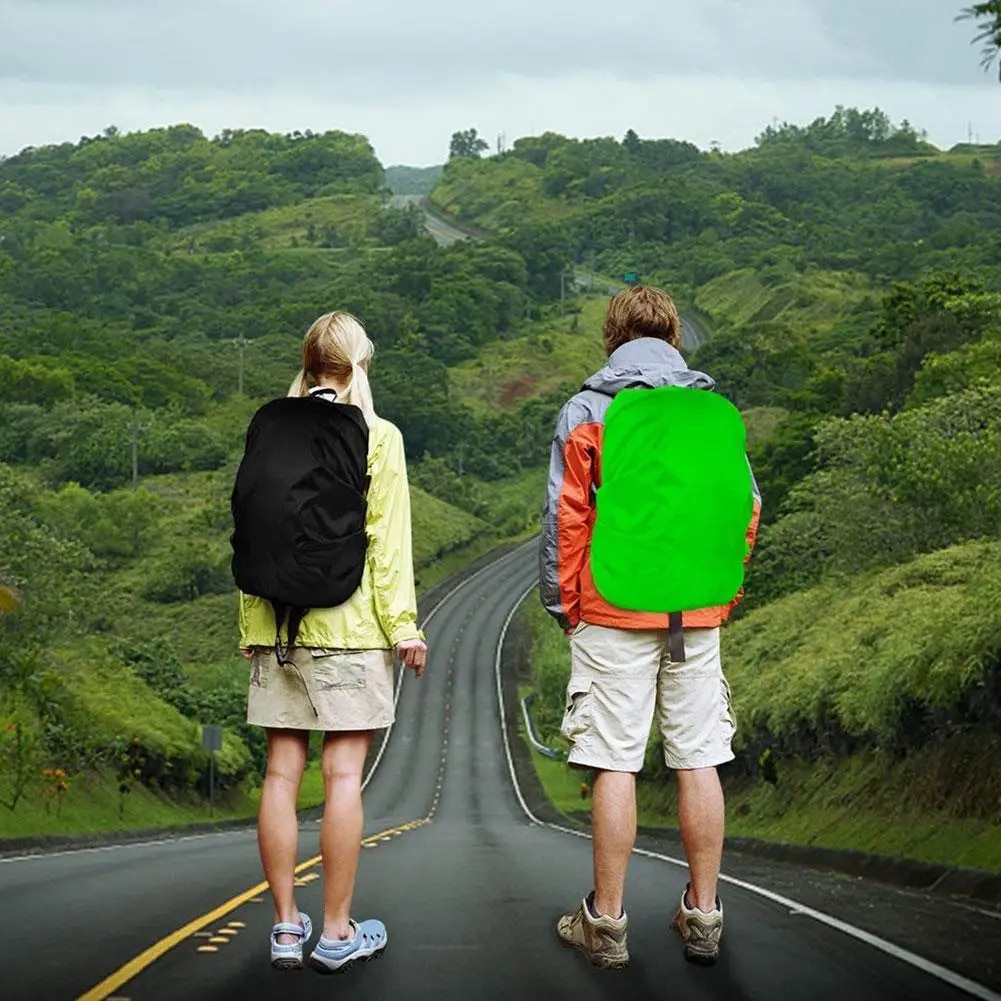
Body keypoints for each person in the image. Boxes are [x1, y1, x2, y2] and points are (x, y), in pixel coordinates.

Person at [539, 286, 760, 970]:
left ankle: (605, 923)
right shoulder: (714, 413)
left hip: (612, 607)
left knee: (613, 758)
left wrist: (564, 603)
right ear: (674, 338)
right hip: (696, 608)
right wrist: (722, 591)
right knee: (697, 754)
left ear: (613, 338)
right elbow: (745, 508)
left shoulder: (589, 408)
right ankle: (703, 915)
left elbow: (565, 517)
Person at [239, 311, 427, 973]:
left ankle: (285, 926)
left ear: (309, 363)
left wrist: (250, 627)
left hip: (276, 628)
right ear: (358, 365)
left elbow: (252, 524)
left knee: (280, 775)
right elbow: (386, 545)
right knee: (342, 776)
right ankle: (338, 930)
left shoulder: (268, 428)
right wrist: (404, 628)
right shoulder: (377, 435)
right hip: (349, 631)